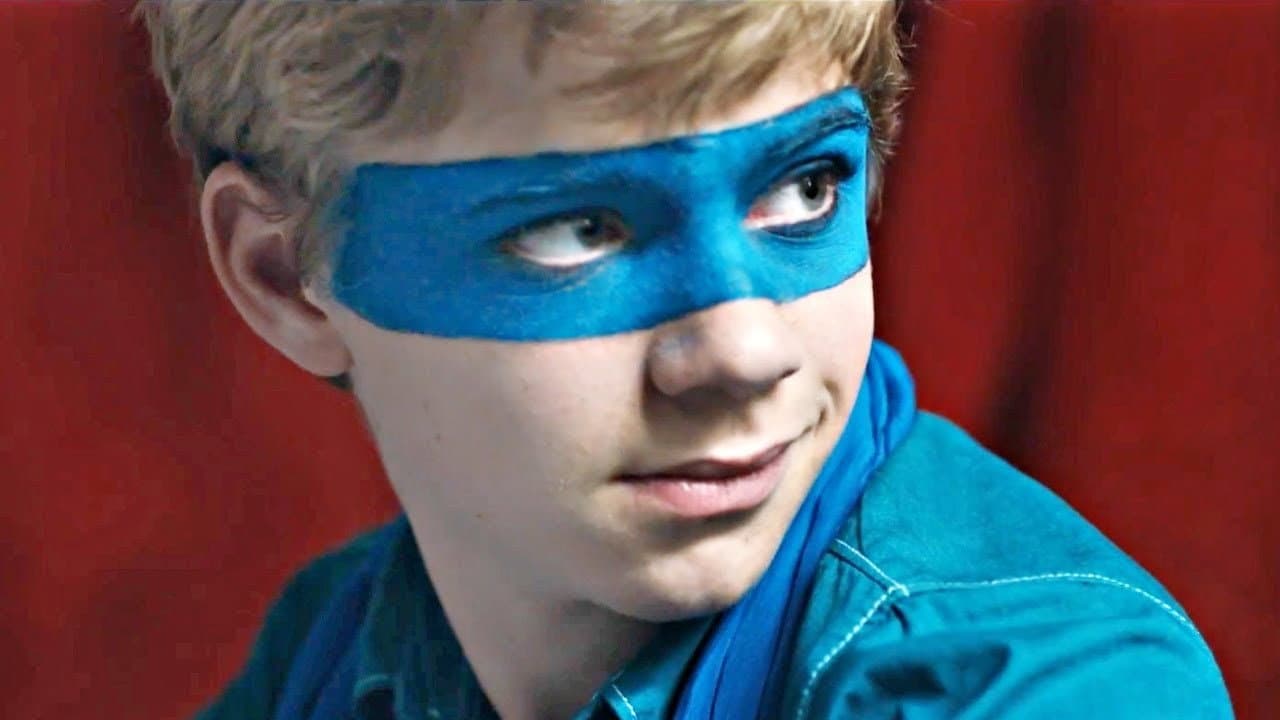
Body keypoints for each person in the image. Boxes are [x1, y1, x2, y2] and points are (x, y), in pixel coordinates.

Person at [139, 2, 1233, 718]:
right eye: (577, 230)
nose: (746, 353)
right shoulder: (332, 647)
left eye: (805, 187)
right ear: (286, 278)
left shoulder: (1039, 688)